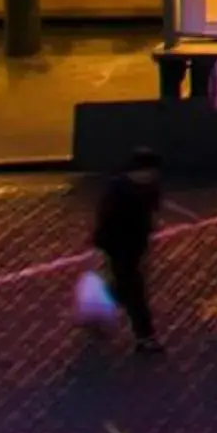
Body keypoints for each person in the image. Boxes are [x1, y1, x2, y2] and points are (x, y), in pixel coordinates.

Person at [90, 149, 164, 354]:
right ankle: (145, 337)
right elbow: (106, 223)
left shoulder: (145, 188)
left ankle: (99, 310)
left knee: (126, 290)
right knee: (134, 291)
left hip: (135, 246)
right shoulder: (118, 191)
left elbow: (152, 211)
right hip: (119, 247)